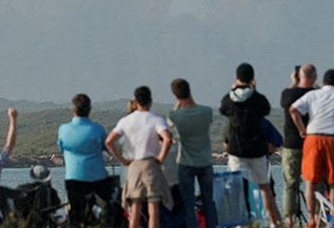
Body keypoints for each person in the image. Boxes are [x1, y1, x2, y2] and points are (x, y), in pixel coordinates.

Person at [219, 63, 282, 228]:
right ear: (252, 79)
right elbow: (265, 109)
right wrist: (253, 90)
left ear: (236, 77)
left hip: (237, 150)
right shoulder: (258, 100)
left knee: (238, 189)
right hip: (257, 150)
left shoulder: (229, 99)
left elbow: (223, 109)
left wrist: (234, 89)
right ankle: (273, 222)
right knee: (264, 187)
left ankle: (241, 223)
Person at [288, 69, 334, 228]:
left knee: (310, 181)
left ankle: (311, 219)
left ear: (323, 81)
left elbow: (293, 109)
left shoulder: (313, 94)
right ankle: (332, 217)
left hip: (313, 138)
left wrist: (301, 129)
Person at [105, 86, 173, 228]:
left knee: (135, 209)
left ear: (135, 101)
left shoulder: (126, 121)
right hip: (151, 165)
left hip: (134, 165)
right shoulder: (156, 119)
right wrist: (161, 157)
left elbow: (109, 141)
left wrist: (122, 160)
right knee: (153, 210)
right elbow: (167, 139)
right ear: (150, 101)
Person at [168, 78, 217, 228]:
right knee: (208, 201)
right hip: (205, 161)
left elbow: (170, 122)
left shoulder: (175, 115)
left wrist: (178, 104)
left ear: (176, 96)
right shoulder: (206, 111)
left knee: (188, 204)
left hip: (186, 162)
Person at [57, 93, 111, 227]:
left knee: (76, 215)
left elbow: (61, 147)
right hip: (97, 179)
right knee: (105, 214)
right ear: (90, 109)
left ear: (73, 109)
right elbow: (107, 147)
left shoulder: (64, 129)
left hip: (74, 178)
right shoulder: (98, 129)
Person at [279, 63, 315, 228]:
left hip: (291, 144)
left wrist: (293, 83)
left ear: (299, 76)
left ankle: (289, 220)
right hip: (310, 143)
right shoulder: (316, 94)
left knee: (290, 183)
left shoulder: (288, 94)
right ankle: (313, 217)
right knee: (313, 181)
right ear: (314, 77)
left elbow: (285, 102)